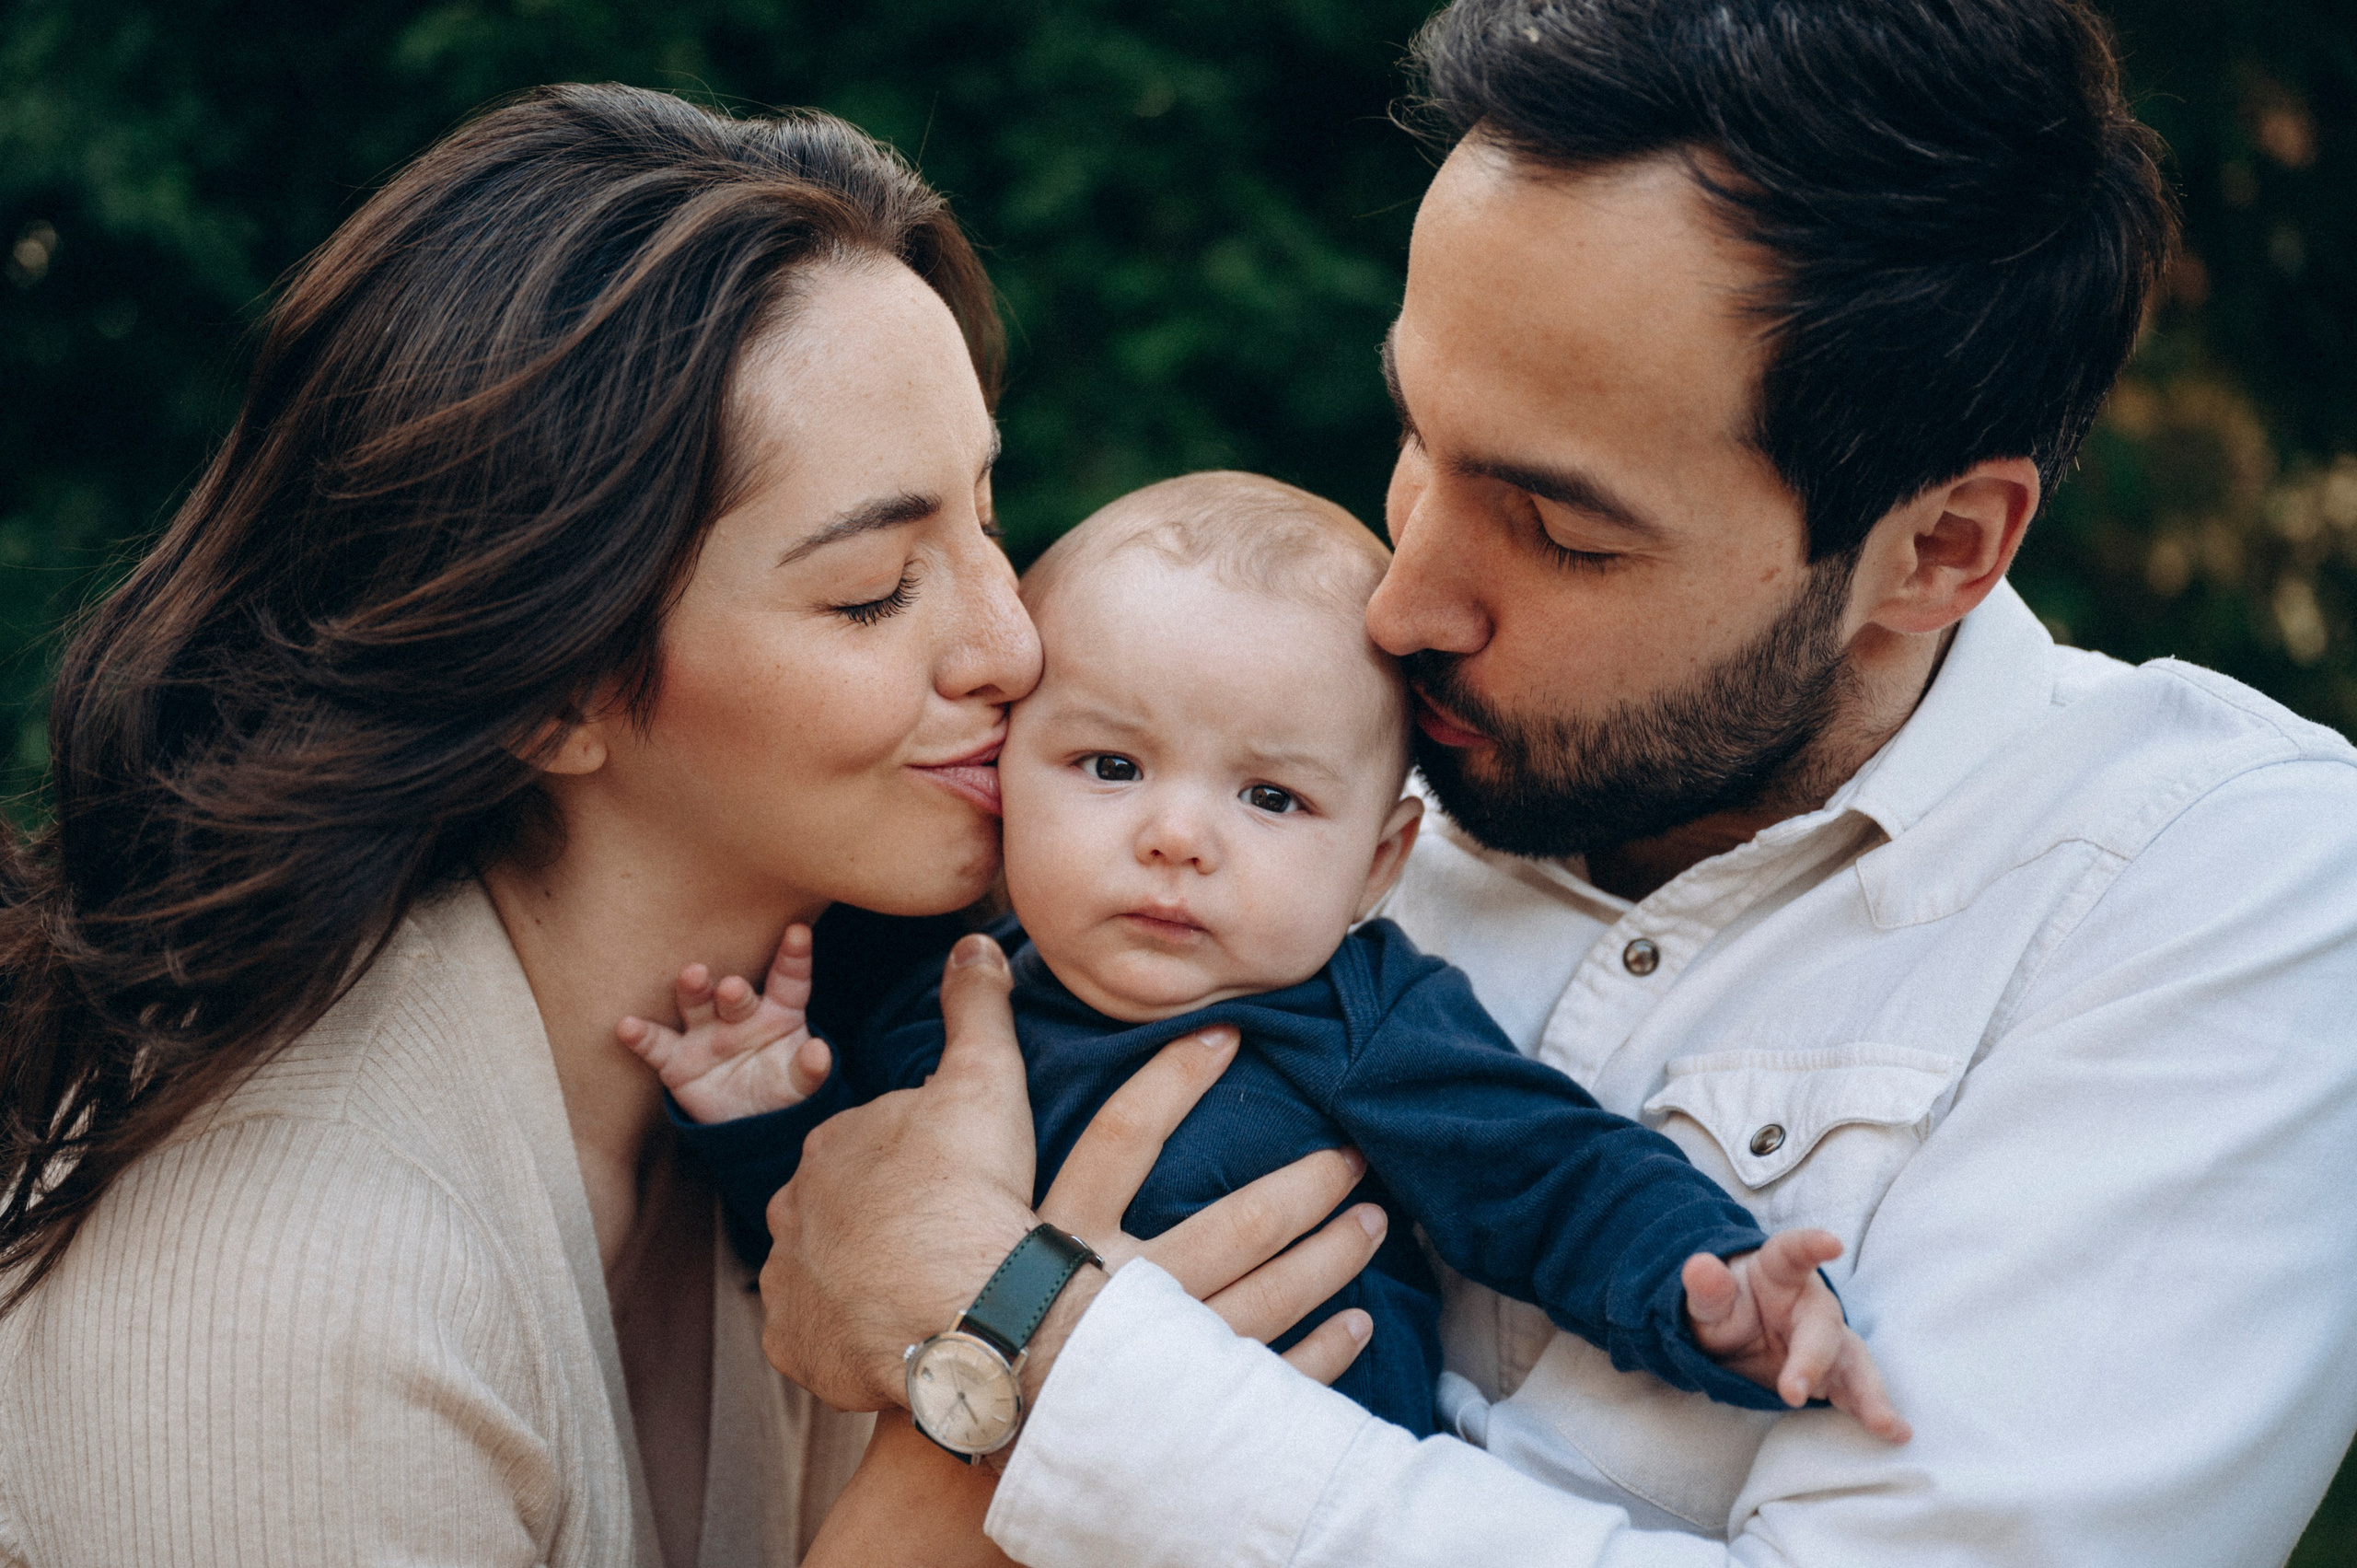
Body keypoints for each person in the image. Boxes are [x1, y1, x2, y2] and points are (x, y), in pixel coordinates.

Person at [752, 3, 2357, 1564]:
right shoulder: (1294, 746)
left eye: (1567, 534)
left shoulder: (2235, 894)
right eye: (1418, 440)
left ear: (1934, 549)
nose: (1404, 606)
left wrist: (1027, 1332)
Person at [0, 86, 1379, 1568]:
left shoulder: (876, 1078)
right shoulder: (284, 1290)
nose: (1015, 646)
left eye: (988, 517)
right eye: (873, 590)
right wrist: (985, 1445)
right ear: (550, 688)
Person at [628, 470, 1909, 1443]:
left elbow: (1551, 1173)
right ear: (1003, 771)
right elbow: (840, 1258)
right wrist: (760, 1118)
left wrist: (1713, 1287)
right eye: (1112, 768)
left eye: (1272, 800)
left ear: (1381, 861)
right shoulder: (948, 998)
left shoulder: (1362, 1018)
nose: (1178, 837)